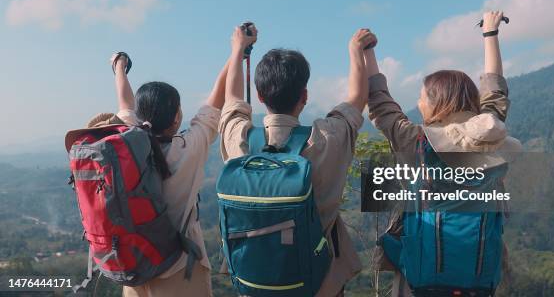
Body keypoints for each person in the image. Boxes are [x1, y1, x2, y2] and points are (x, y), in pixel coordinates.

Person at [367, 11, 520, 296]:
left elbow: (380, 105)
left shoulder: (417, 141)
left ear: (436, 103)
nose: (418, 102)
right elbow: (495, 91)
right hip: (480, 282)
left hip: (422, 283)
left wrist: (367, 52)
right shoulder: (490, 135)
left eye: (422, 97)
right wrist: (490, 34)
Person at [218, 24, 376, 296]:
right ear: (304, 96)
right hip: (318, 285)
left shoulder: (238, 139)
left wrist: (238, 50)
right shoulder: (327, 138)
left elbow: (231, 100)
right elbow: (357, 98)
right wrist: (355, 50)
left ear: (259, 96)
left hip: (254, 285)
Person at [109, 53, 227, 297]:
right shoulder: (188, 148)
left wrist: (119, 66)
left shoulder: (126, 143)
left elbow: (124, 104)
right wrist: (237, 49)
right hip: (181, 272)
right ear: (176, 118)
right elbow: (214, 104)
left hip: (136, 272)